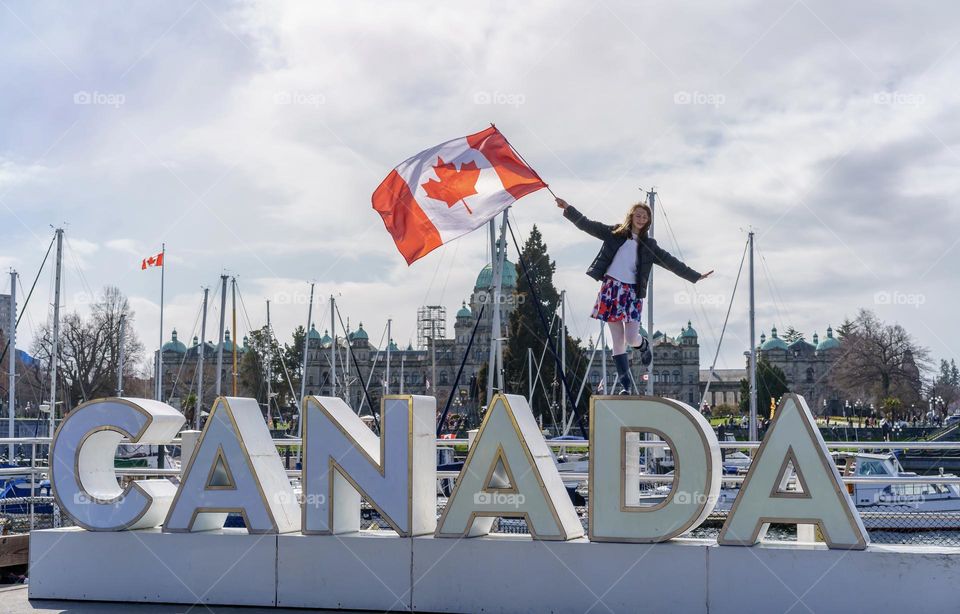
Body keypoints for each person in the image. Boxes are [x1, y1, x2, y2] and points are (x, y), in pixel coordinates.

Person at [557, 197, 713, 394]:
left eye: (645, 216)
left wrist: (695, 276)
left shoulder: (649, 245)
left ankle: (643, 344)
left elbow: (670, 262)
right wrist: (568, 209)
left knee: (631, 338)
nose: (641, 218)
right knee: (618, 341)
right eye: (638, 215)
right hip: (611, 290)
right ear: (631, 217)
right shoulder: (614, 233)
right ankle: (626, 386)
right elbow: (588, 225)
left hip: (631, 293)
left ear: (648, 221)